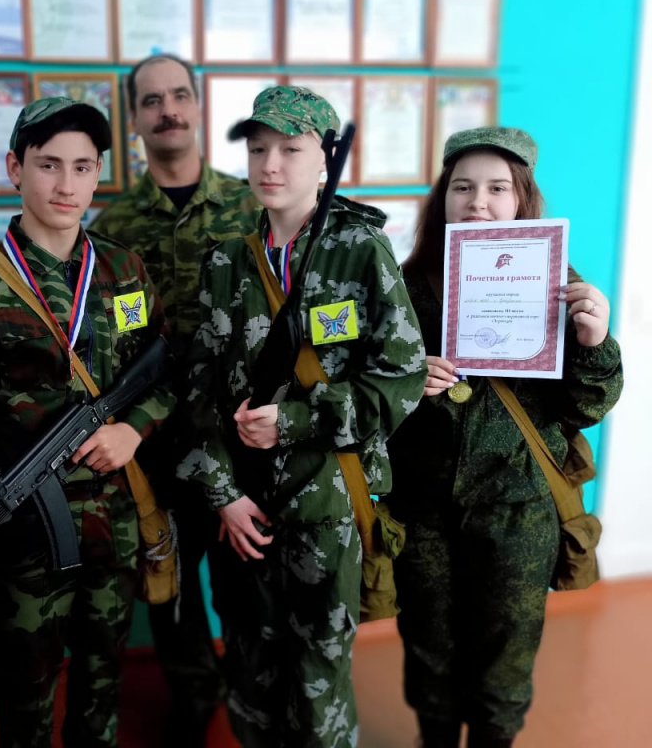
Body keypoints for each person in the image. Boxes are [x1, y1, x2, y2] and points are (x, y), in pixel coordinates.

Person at [177, 86, 427, 748]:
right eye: (258, 149)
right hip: (243, 514)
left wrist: (296, 421)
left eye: (290, 149)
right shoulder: (226, 260)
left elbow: (399, 380)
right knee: (250, 674)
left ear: (325, 160)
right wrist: (222, 495)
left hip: (327, 507)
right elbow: (197, 387)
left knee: (318, 683)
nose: (270, 164)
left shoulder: (360, 251)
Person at [0, 96, 176, 748]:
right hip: (27, 534)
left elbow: (167, 371)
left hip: (115, 522)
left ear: (98, 175)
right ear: (16, 168)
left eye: (82, 167)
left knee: (102, 684)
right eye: (48, 165)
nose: (66, 185)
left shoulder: (124, 270)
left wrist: (134, 428)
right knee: (25, 695)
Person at [386, 127, 624, 748]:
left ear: (522, 199)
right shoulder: (403, 287)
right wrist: (406, 380)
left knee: (505, 653)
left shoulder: (558, 284)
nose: (478, 203)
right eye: (462, 187)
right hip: (423, 506)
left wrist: (595, 341)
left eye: (497, 188)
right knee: (429, 646)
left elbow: (588, 406)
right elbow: (368, 402)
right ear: (443, 197)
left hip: (518, 506)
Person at [90, 54, 259, 745]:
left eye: (180, 95)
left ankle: (252, 700)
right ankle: (193, 695)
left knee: (248, 584)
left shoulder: (250, 205)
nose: (168, 110)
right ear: (134, 117)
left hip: (241, 443)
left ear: (199, 105)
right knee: (170, 587)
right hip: (154, 445)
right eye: (152, 100)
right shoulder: (112, 226)